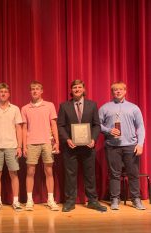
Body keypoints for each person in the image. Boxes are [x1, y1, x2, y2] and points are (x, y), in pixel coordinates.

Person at [57, 79, 107, 212]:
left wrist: (93, 139)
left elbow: (96, 125)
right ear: (71, 90)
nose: (77, 89)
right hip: (70, 147)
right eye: (74, 88)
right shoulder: (64, 106)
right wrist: (67, 139)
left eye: (79, 87)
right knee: (70, 175)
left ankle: (92, 201)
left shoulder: (92, 105)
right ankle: (70, 201)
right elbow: (60, 125)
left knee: (90, 174)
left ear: (84, 89)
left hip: (88, 146)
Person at [99, 81, 146, 210]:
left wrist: (140, 144)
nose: (118, 92)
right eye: (115, 90)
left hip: (130, 146)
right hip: (112, 146)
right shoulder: (105, 108)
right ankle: (115, 199)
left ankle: (136, 199)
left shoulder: (133, 108)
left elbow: (140, 127)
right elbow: (97, 125)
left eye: (120, 89)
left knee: (133, 173)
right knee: (114, 174)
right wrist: (108, 130)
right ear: (112, 92)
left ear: (125, 91)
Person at [21, 81, 60, 211]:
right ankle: (29, 200)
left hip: (47, 142)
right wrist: (24, 146)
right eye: (32, 89)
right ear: (30, 91)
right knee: (30, 171)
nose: (35, 91)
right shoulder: (25, 108)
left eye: (37, 89)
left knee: (49, 171)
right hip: (31, 143)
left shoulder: (49, 105)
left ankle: (50, 199)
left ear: (42, 91)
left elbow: (54, 124)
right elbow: (24, 128)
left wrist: (57, 142)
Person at [0, 83, 23, 212]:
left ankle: (16, 201)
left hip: (12, 146)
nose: (3, 93)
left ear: (9, 94)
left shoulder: (15, 109)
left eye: (5, 91)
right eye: (1, 91)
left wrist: (19, 146)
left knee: (14, 173)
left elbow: (19, 128)